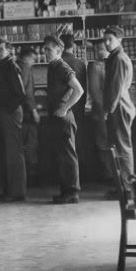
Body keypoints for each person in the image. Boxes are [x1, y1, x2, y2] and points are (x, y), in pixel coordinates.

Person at [43, 35, 85, 204]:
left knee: (68, 156)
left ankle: (73, 192)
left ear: (59, 50)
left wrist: (65, 107)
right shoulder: (53, 66)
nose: (45, 52)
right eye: (45, 49)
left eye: (48, 49)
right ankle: (66, 191)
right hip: (57, 116)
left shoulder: (61, 66)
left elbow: (79, 90)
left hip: (64, 118)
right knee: (63, 156)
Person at [102, 27, 135, 196]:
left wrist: (108, 110)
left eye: (110, 39)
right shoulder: (114, 57)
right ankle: (121, 187)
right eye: (105, 39)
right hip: (118, 106)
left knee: (123, 148)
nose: (106, 43)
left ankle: (128, 188)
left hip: (119, 107)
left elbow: (116, 88)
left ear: (119, 40)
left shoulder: (119, 58)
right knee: (118, 147)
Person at [0, 39, 26, 202]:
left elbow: (20, 94)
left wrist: (6, 109)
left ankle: (16, 192)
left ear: (9, 51)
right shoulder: (4, 66)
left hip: (10, 112)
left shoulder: (11, 67)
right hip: (6, 111)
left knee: (13, 153)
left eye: (1, 50)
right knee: (8, 152)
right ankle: (9, 190)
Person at [61, 34, 88, 174]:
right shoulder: (80, 64)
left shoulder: (57, 63)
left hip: (63, 110)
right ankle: (81, 174)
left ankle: (70, 176)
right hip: (77, 109)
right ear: (74, 46)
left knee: (66, 146)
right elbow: (84, 90)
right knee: (78, 142)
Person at [87, 39, 112, 191]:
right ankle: (109, 174)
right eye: (98, 49)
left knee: (111, 143)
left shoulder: (113, 63)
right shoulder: (95, 66)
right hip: (102, 111)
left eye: (102, 48)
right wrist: (105, 109)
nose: (100, 51)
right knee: (103, 144)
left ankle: (115, 174)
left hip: (111, 110)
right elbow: (95, 92)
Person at [17, 46, 40, 185]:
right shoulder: (25, 68)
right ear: (26, 57)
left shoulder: (17, 67)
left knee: (23, 146)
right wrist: (34, 111)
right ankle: (31, 180)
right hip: (27, 114)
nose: (33, 61)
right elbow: (27, 92)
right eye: (33, 58)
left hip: (20, 113)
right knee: (30, 145)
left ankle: (25, 179)